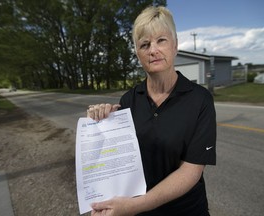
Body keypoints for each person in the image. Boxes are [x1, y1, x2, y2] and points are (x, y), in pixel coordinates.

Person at [87, 6, 216, 216]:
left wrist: (133, 207)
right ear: (138, 53)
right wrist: (99, 122)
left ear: (175, 45)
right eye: (144, 44)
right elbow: (114, 162)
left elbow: (190, 171)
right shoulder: (128, 100)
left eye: (161, 40)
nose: (153, 50)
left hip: (186, 211)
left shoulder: (200, 99)